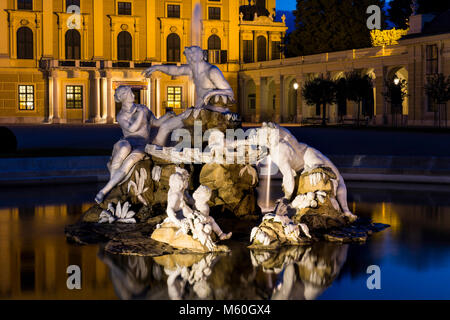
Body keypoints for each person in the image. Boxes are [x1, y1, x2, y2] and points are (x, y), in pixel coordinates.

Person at [95, 86, 172, 203]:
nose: (133, 95)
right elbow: (132, 129)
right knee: (124, 148)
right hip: (127, 141)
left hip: (142, 145)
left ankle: (105, 190)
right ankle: (112, 185)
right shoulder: (121, 115)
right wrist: (140, 114)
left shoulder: (143, 108)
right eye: (130, 93)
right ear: (123, 97)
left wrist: (167, 116)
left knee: (129, 162)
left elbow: (155, 122)